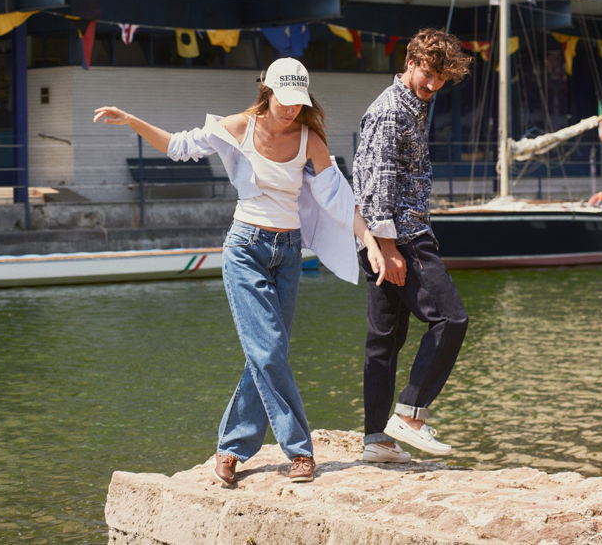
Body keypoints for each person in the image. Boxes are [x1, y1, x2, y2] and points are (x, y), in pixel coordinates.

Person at [94, 57, 385, 485]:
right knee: (269, 352)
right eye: (284, 100)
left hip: (288, 255)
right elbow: (177, 146)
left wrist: (370, 241)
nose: (291, 109)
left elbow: (339, 197)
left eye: (298, 102)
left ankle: (231, 447)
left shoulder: (310, 140)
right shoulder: (237, 127)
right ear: (267, 91)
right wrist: (132, 119)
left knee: (268, 354)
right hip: (246, 250)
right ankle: (299, 450)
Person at [353, 28, 472, 463]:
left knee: (384, 341)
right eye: (428, 73)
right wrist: (387, 248)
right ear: (410, 62)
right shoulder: (391, 111)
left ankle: (376, 440)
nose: (434, 84)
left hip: (388, 237)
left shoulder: (410, 105)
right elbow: (379, 181)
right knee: (451, 319)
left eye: (442, 78)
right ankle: (411, 414)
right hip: (402, 236)